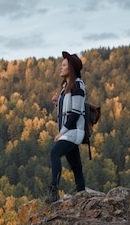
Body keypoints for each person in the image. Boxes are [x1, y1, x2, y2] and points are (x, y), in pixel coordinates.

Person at [46, 51, 86, 203]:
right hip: (70, 132)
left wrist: (61, 133)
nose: (60, 68)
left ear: (71, 68)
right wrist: (58, 103)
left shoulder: (77, 86)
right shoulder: (66, 87)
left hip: (74, 132)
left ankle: (53, 190)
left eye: (64, 65)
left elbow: (75, 113)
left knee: (54, 153)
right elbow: (67, 110)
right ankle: (82, 196)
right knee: (76, 167)